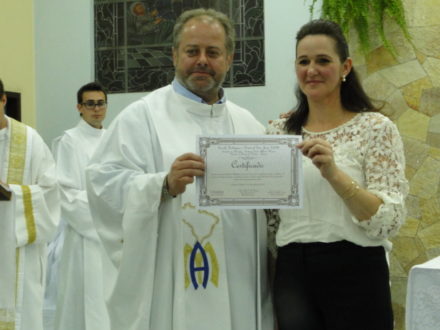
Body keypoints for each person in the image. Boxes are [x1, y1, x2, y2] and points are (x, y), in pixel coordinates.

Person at [86, 8, 274, 330]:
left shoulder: (250, 125)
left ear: (228, 59)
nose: (202, 60)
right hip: (171, 280)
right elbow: (102, 184)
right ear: (174, 55)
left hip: (242, 278)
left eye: (213, 52)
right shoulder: (141, 117)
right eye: (192, 51)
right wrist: (162, 184)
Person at [266, 19, 409, 330]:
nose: (311, 70)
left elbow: (389, 220)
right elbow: (270, 215)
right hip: (293, 273)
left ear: (345, 66)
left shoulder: (375, 129)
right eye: (303, 61)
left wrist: (333, 173)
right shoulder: (278, 132)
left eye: (323, 60)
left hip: (356, 269)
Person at [47, 82, 111, 330]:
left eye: (101, 103)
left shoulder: (113, 138)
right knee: (86, 301)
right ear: (79, 108)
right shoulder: (69, 141)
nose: (97, 109)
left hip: (114, 234)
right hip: (85, 235)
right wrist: (105, 212)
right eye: (90, 104)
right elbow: (66, 194)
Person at [0, 78, 60, 330]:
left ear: (3, 100)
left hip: (17, 249)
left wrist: (13, 193)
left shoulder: (30, 140)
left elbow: (50, 191)